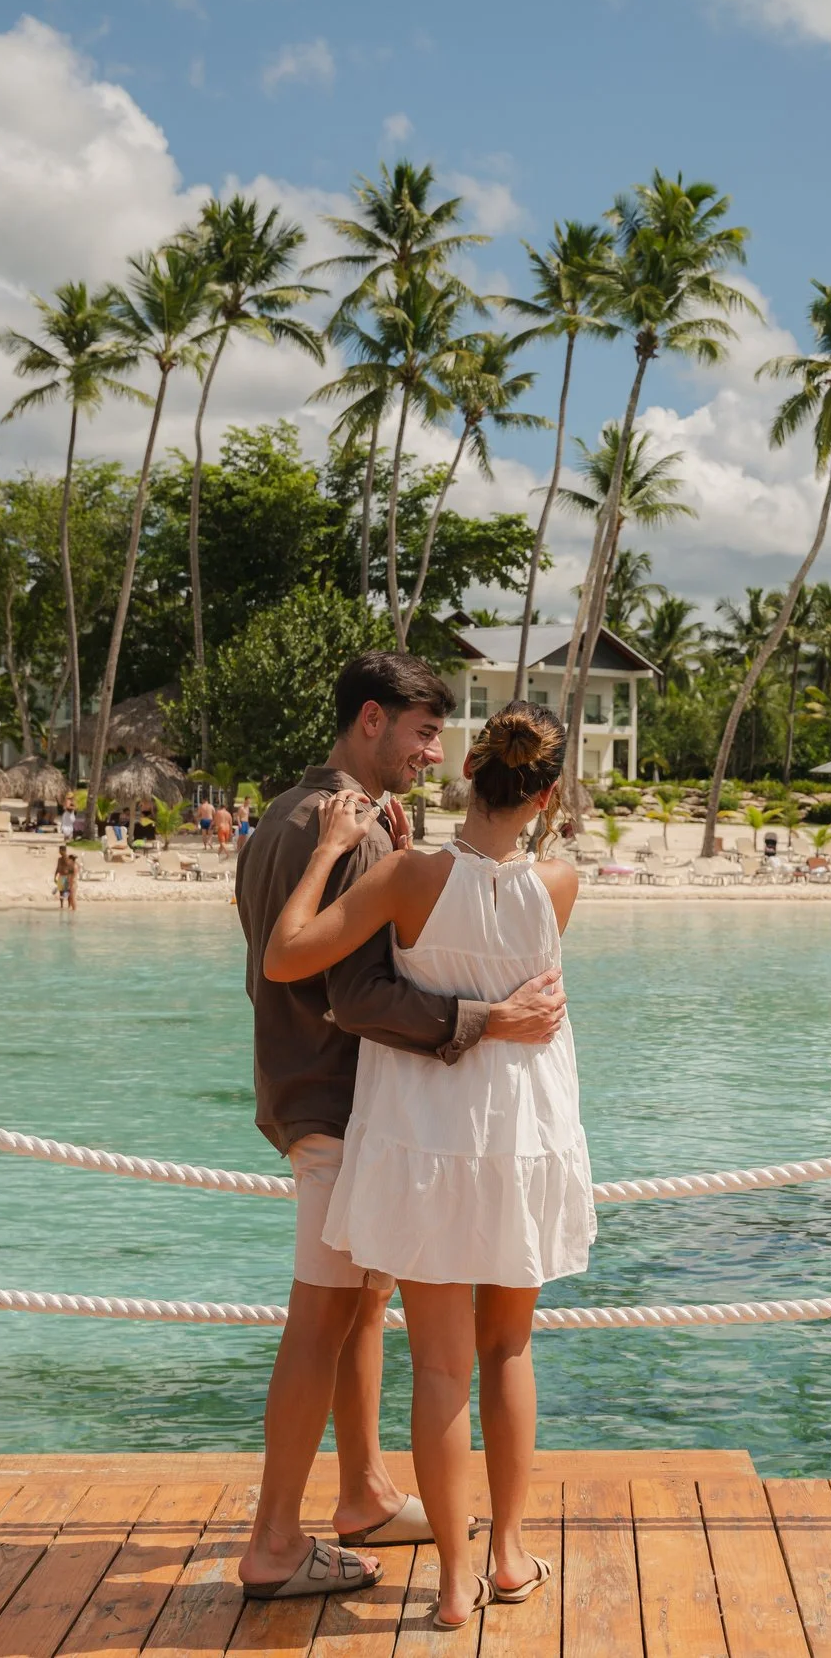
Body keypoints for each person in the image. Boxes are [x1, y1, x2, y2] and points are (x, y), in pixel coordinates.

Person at [232, 653, 567, 1607]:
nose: (432, 750)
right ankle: (273, 1541)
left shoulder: (287, 815)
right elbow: (353, 986)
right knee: (327, 1314)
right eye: (423, 732)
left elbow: (272, 947)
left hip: (313, 1090)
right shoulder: (354, 834)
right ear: (372, 720)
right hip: (349, 1104)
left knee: (362, 1309)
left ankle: (365, 1493)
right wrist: (485, 1023)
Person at [53, 844, 77, 912]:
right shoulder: (59, 859)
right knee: (61, 892)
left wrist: (70, 877)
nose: (59, 852)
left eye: (60, 850)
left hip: (66, 877)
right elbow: (58, 867)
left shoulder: (68, 859)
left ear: (63, 851)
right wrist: (55, 876)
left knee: (67, 892)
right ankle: (62, 905)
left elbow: (71, 868)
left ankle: (69, 905)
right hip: (61, 876)